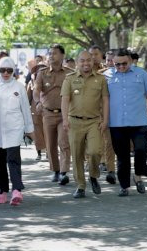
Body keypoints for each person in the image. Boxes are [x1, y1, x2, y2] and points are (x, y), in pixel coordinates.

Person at [103, 49, 147, 197]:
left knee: (141, 149)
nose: (121, 67)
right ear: (113, 63)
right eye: (117, 64)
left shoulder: (141, 74)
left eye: (124, 63)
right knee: (122, 156)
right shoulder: (106, 76)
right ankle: (124, 186)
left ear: (130, 61)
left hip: (138, 122)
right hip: (117, 123)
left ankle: (138, 176)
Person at [0, 57, 35, 206]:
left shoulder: (18, 86)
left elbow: (25, 109)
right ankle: (2, 190)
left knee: (13, 159)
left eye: (9, 70)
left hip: (14, 128)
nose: (6, 73)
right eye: (2, 70)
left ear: (13, 71)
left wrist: (29, 130)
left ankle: (17, 190)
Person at [61, 51, 109, 198]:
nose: (86, 63)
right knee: (76, 155)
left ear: (93, 61)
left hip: (94, 121)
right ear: (77, 62)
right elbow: (65, 100)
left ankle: (93, 176)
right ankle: (81, 185)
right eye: (82, 61)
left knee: (95, 151)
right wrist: (65, 120)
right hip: (74, 122)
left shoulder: (100, 79)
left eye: (88, 60)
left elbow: (105, 100)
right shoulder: (69, 79)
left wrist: (105, 120)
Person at [33, 44, 73, 185]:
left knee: (64, 142)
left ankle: (63, 172)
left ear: (62, 56)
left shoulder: (70, 73)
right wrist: (37, 102)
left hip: (65, 115)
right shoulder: (42, 73)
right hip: (48, 114)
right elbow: (36, 91)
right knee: (50, 145)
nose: (51, 56)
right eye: (50, 53)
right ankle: (55, 170)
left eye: (55, 53)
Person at [89, 46, 117, 184]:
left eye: (96, 54)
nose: (93, 57)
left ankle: (111, 170)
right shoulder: (82, 70)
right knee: (93, 143)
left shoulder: (108, 73)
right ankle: (93, 167)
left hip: (107, 112)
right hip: (89, 113)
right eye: (91, 54)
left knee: (109, 142)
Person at [27, 63, 47, 161]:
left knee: (48, 132)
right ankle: (39, 153)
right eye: (39, 70)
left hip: (48, 111)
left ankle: (49, 151)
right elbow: (28, 98)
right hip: (35, 112)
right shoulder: (31, 83)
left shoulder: (50, 81)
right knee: (37, 133)